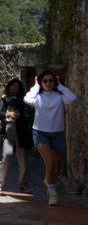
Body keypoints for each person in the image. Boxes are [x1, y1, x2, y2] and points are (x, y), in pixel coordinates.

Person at [24, 70, 77, 206]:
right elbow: (27, 99)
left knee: (57, 169)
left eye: (51, 80)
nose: (48, 83)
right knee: (50, 163)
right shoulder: (37, 96)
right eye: (45, 81)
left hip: (58, 134)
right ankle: (53, 193)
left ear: (54, 82)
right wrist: (36, 86)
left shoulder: (60, 97)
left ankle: (48, 181)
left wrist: (60, 86)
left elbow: (72, 97)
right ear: (41, 82)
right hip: (40, 133)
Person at [0, 78, 32, 193]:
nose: (13, 87)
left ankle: (23, 185)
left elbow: (17, 104)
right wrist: (7, 114)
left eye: (16, 86)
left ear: (19, 89)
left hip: (21, 132)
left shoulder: (22, 99)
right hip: (8, 131)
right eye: (12, 85)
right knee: (6, 156)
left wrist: (4, 98)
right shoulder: (4, 100)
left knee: (23, 160)